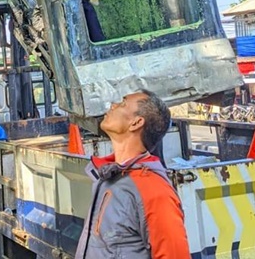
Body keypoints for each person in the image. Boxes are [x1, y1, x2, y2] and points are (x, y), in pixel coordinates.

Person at [75, 91, 188, 258]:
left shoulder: (154, 191)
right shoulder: (109, 177)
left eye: (122, 103)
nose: (113, 105)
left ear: (136, 122)